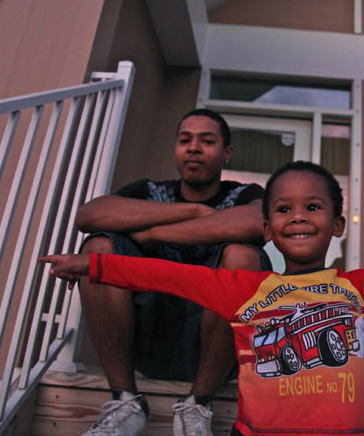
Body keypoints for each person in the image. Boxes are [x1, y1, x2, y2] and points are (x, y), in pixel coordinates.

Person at [40, 161, 364, 436]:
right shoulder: (245, 291)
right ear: (268, 229)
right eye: (283, 209)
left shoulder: (358, 289)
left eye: (313, 207)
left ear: (337, 225)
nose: (298, 216)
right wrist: (92, 265)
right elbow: (164, 275)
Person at [74, 108, 271, 436]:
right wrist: (193, 211)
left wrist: (150, 233)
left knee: (242, 257)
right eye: (185, 140)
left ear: (227, 153)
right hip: (146, 335)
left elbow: (256, 222)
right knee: (99, 249)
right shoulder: (149, 191)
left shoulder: (245, 195)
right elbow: (89, 215)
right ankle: (126, 401)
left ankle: (199, 404)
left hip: (215, 351)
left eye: (207, 141)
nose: (194, 148)